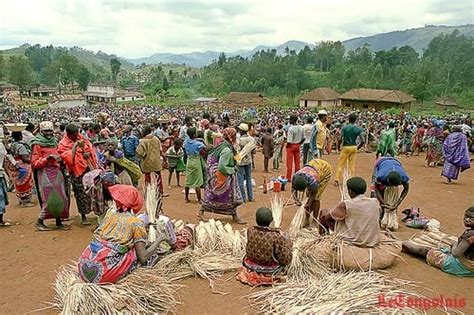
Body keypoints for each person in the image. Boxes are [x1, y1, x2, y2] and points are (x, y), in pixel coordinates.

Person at [78, 185, 167, 283]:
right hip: (105, 273)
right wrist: (160, 239)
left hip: (84, 265)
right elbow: (143, 257)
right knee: (149, 255)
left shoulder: (110, 214)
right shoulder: (136, 223)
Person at [319, 177, 401, 271]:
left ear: (350, 191)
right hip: (371, 241)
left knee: (324, 213)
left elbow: (328, 216)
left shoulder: (346, 204)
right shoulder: (374, 202)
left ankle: (323, 239)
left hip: (353, 241)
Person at [402, 207, 474, 277]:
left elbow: (455, 254)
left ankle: (400, 243)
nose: (467, 219)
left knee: (424, 251)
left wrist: (454, 245)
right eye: (466, 216)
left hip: (460, 267)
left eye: (471, 218)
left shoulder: (470, 235)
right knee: (445, 249)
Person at [237, 207, 293, 286]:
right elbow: (286, 260)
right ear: (271, 220)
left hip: (250, 264)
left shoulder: (250, 230)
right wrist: (287, 243)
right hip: (269, 269)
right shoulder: (276, 236)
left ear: (256, 219)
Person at [200, 128, 245, 224]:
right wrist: (233, 169)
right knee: (230, 197)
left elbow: (233, 157)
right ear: (231, 137)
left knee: (215, 195)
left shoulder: (223, 145)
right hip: (223, 175)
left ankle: (202, 211)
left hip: (218, 174)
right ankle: (234, 215)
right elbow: (222, 166)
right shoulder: (226, 149)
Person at [31, 121, 70, 231]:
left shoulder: (54, 142)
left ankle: (58, 221)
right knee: (49, 198)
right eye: (46, 131)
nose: (49, 133)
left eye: (50, 131)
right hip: (44, 173)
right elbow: (35, 163)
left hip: (56, 171)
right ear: (41, 131)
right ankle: (40, 221)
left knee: (61, 197)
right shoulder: (37, 144)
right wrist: (47, 158)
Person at [58, 124, 98, 225]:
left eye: (77, 134)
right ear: (68, 134)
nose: (77, 136)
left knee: (93, 191)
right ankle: (83, 216)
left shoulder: (81, 138)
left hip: (87, 169)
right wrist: (75, 146)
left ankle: (97, 212)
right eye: (74, 135)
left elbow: (89, 148)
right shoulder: (63, 144)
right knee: (80, 193)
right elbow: (68, 159)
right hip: (75, 172)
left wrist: (88, 153)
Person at [291, 158, 333, 227]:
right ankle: (307, 219)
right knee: (308, 196)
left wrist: (309, 203)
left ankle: (314, 220)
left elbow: (314, 193)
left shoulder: (313, 180)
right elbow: (293, 189)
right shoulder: (295, 177)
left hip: (325, 170)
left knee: (316, 198)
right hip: (314, 165)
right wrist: (296, 200)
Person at [372, 157, 410, 231]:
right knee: (374, 195)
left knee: (393, 199)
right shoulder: (381, 176)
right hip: (380, 162)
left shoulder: (404, 177)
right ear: (388, 182)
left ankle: (391, 217)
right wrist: (383, 202)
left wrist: (396, 204)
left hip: (396, 162)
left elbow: (406, 189)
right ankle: (381, 215)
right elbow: (376, 188)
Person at [334, 113, 364, 187]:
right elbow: (363, 140)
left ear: (348, 119)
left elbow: (340, 138)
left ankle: (337, 180)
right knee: (352, 165)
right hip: (354, 147)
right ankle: (351, 181)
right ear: (355, 120)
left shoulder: (345, 128)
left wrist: (338, 147)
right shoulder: (358, 128)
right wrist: (358, 147)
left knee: (341, 164)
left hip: (346, 147)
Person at [136, 125, 166, 196]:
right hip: (156, 161)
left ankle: (148, 192)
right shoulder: (156, 138)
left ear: (145, 132)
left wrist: (143, 156)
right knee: (158, 176)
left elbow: (139, 152)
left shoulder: (142, 141)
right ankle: (160, 191)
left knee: (147, 177)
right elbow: (160, 150)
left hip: (147, 161)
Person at [8, 129, 34, 207]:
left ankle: (21, 200)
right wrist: (32, 160)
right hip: (23, 165)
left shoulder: (12, 144)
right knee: (26, 184)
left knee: (19, 184)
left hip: (15, 164)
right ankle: (25, 201)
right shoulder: (21, 146)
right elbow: (24, 159)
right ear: (20, 136)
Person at [183, 127, 206, 203]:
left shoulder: (186, 142)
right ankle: (199, 199)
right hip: (196, 160)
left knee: (188, 180)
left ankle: (186, 198)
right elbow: (203, 151)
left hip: (189, 160)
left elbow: (184, 151)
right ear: (194, 134)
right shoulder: (198, 144)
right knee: (197, 181)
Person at [237, 123, 255, 203]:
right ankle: (250, 197)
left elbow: (235, 151)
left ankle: (243, 198)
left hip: (239, 161)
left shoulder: (238, 140)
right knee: (248, 178)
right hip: (248, 161)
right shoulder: (251, 139)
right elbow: (253, 150)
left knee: (240, 180)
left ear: (241, 130)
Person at [285, 115, 303, 181]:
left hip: (291, 146)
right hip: (298, 145)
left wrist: (287, 146)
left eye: (290, 120)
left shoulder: (291, 128)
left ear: (292, 120)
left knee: (289, 163)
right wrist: (299, 143)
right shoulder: (301, 127)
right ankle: (297, 176)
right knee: (297, 162)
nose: (289, 121)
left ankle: (288, 177)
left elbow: (289, 141)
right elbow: (303, 138)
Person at [0, 141, 11, 227]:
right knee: (1, 197)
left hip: (1, 174)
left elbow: (4, 161)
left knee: (2, 196)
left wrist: (8, 174)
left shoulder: (1, 145)